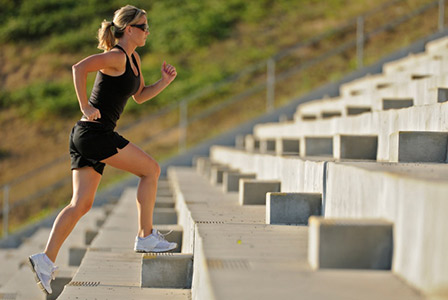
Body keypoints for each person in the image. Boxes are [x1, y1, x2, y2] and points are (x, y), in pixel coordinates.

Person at [27, 5, 177, 295]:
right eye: (144, 26)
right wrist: (85, 105)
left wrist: (165, 81)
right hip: (94, 133)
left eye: (148, 26)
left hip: (88, 135)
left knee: (81, 204)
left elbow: (141, 96)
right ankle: (145, 236)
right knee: (151, 170)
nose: (148, 31)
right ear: (129, 29)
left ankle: (45, 260)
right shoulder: (116, 56)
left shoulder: (133, 58)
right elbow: (78, 68)